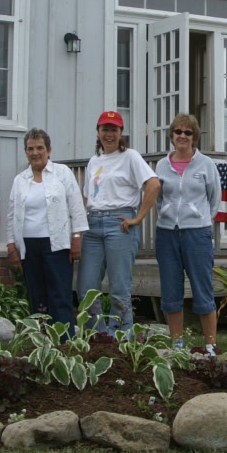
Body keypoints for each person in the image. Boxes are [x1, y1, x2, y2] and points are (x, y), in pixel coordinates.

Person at [76, 110, 160, 336]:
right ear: (98, 132)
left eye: (114, 129)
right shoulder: (94, 161)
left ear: (121, 132)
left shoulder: (130, 156)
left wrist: (138, 217)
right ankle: (98, 336)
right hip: (92, 225)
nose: (109, 134)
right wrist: (79, 228)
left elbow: (153, 184)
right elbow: (87, 197)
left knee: (119, 288)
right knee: (86, 288)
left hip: (119, 224)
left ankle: (120, 338)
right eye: (105, 129)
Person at [6, 128, 88, 328]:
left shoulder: (62, 173)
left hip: (57, 245)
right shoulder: (20, 180)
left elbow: (76, 207)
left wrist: (77, 237)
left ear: (49, 150)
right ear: (26, 152)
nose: (35, 153)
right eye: (30, 149)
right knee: (37, 296)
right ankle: (42, 341)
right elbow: (11, 214)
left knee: (60, 295)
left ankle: (64, 341)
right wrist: (10, 246)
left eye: (40, 148)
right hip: (28, 246)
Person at [154, 113, 221, 355]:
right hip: (167, 235)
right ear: (172, 136)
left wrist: (198, 219)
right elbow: (159, 200)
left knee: (203, 290)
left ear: (195, 137)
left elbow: (214, 199)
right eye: (178, 132)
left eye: (188, 132)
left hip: (197, 235)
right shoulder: (162, 165)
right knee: (171, 290)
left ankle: (211, 345)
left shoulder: (206, 165)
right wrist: (171, 216)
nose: (182, 136)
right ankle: (177, 344)